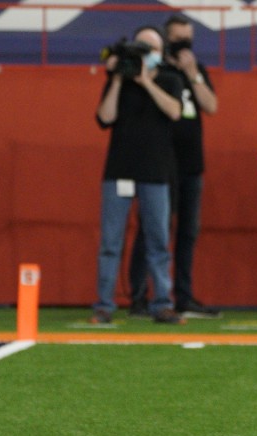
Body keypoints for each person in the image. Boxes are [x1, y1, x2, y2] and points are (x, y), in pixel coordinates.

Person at [128, 13, 221, 319]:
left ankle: (182, 295)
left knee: (187, 234)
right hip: (161, 164)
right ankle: (141, 296)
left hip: (192, 164)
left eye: (187, 38)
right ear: (166, 39)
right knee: (154, 232)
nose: (183, 44)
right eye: (178, 38)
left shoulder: (194, 70)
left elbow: (211, 106)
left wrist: (192, 72)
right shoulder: (155, 70)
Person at [91, 25, 185, 325]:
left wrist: (146, 81)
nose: (144, 54)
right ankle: (104, 305)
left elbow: (174, 112)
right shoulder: (119, 81)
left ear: (160, 53)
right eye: (140, 48)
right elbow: (105, 117)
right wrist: (118, 79)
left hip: (155, 172)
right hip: (119, 170)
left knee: (158, 241)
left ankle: (162, 303)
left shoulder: (170, 78)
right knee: (111, 242)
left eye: (150, 49)